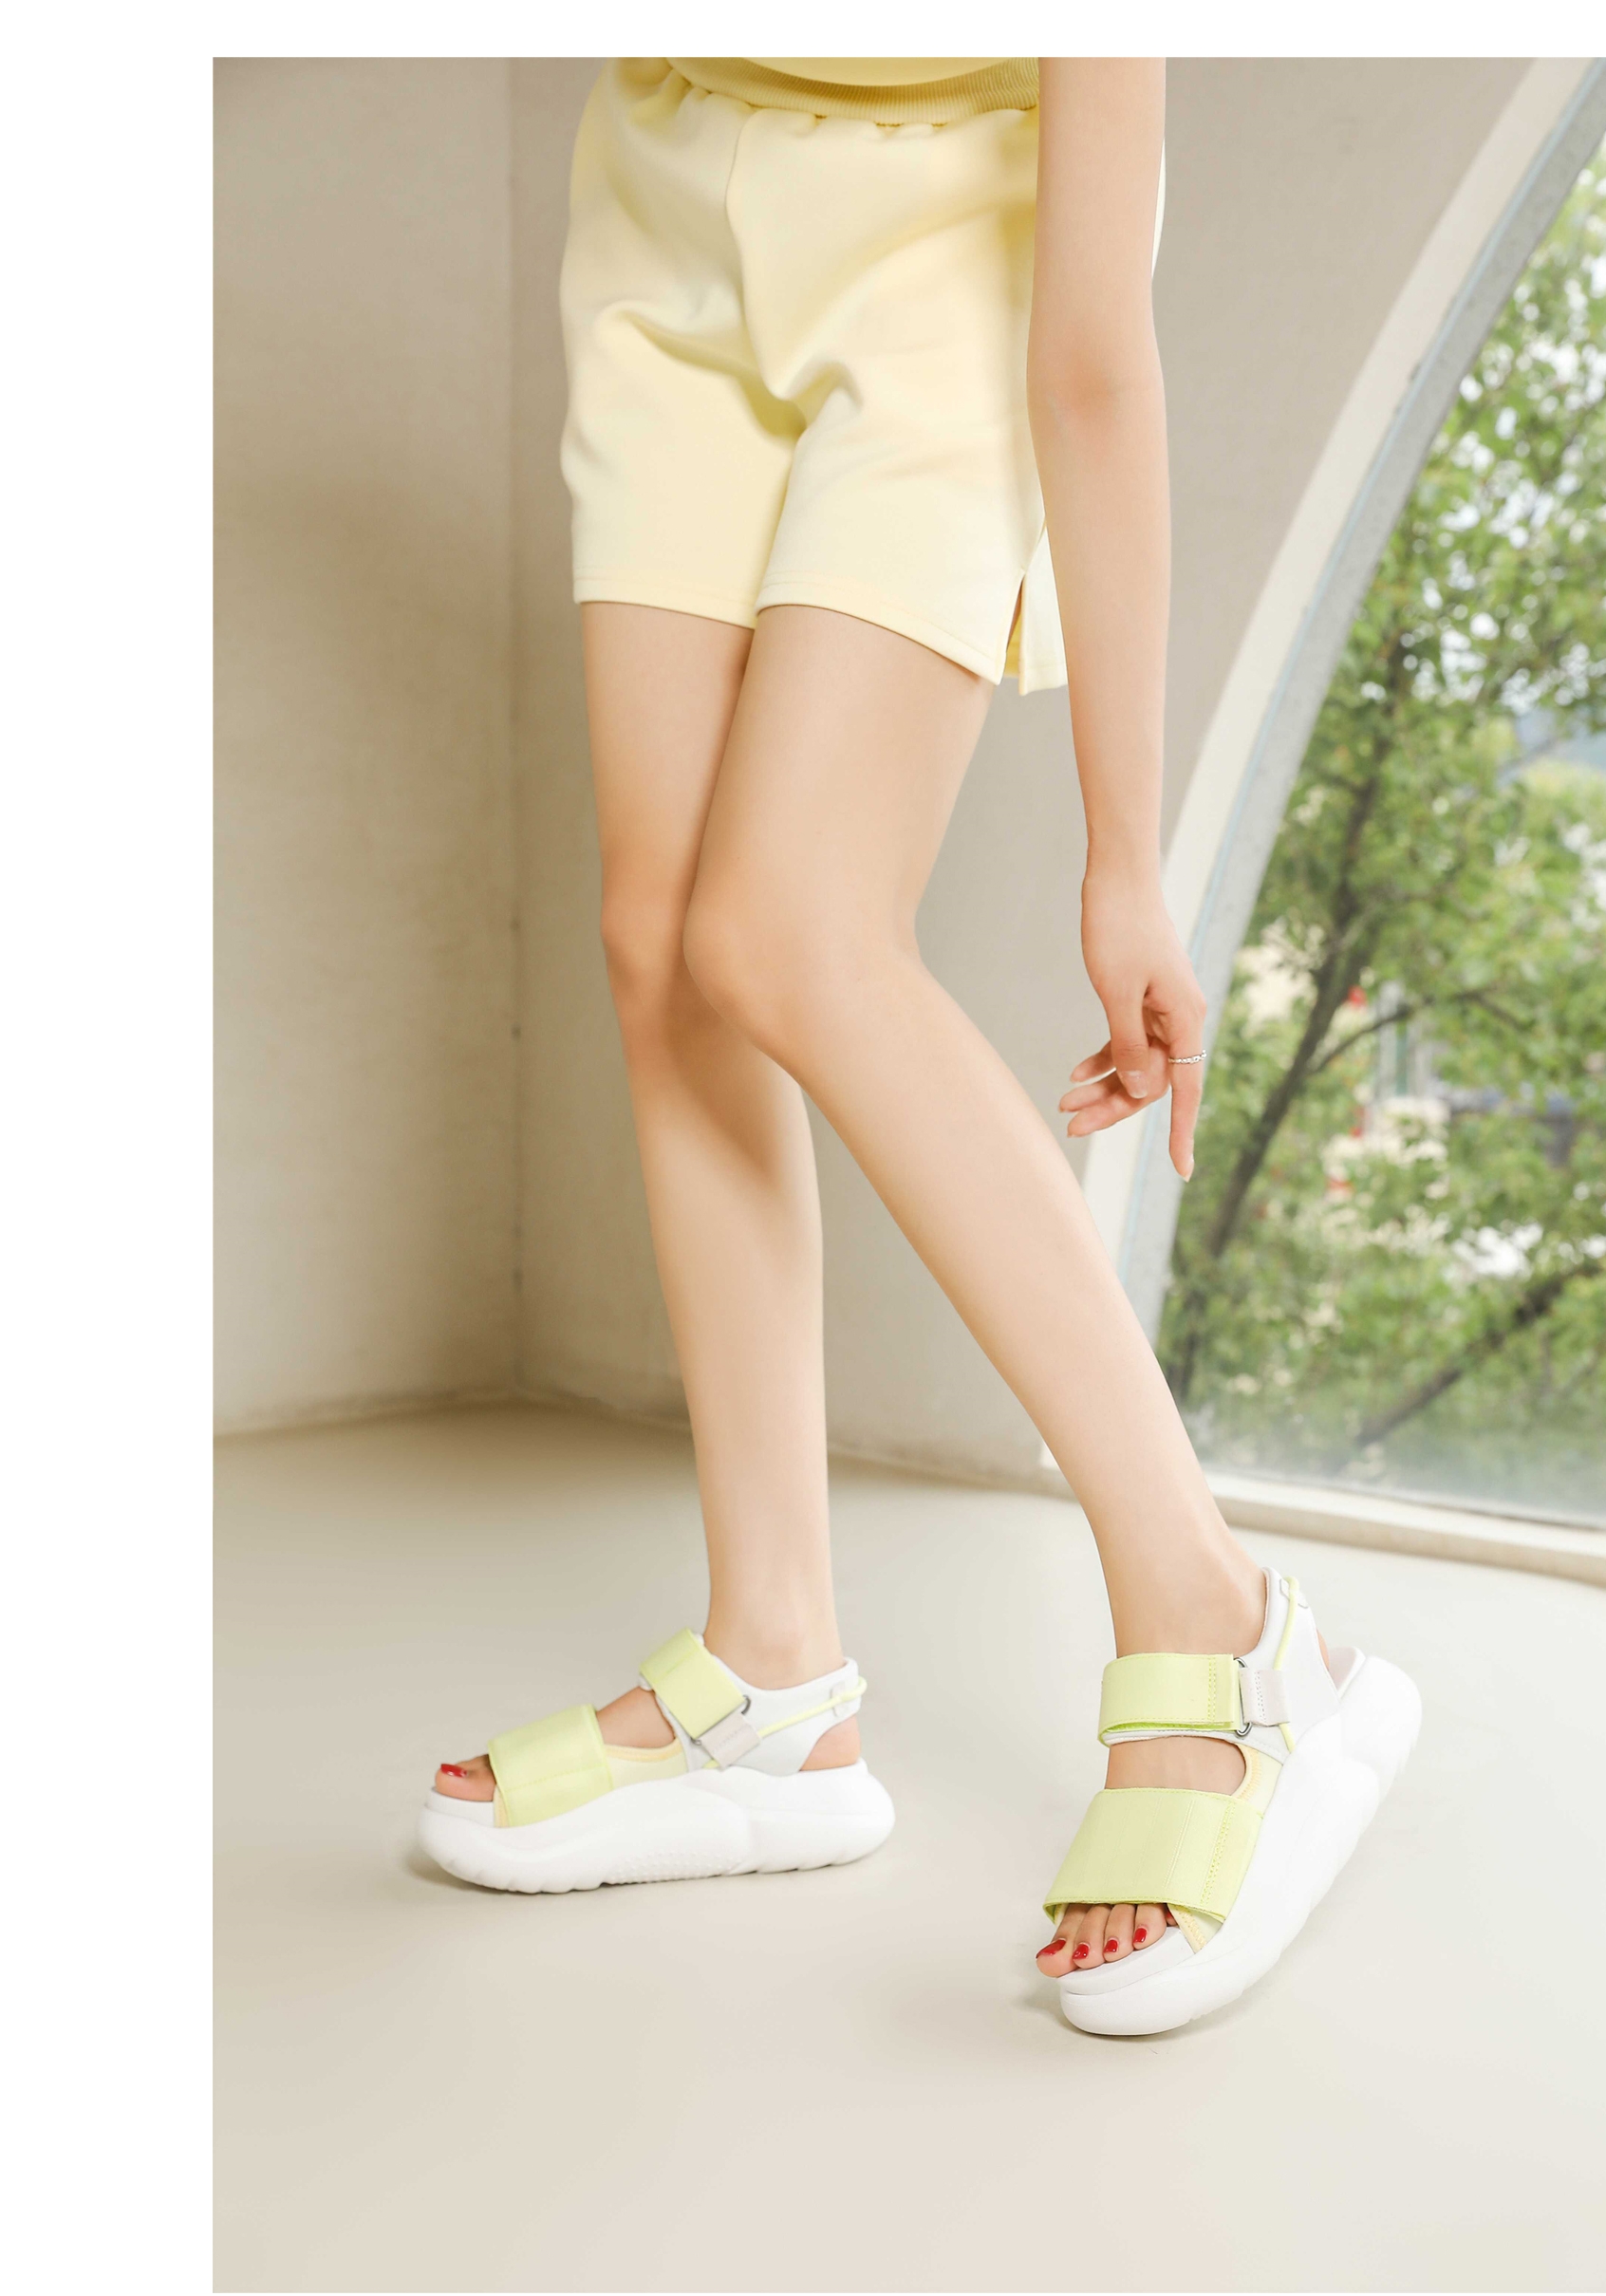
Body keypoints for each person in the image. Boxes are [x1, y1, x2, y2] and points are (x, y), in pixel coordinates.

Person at [417, 56, 1418, 2036]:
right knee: (659, 948)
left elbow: (1095, 369)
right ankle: (775, 1677)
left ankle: (1226, 1626)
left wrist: (1124, 855)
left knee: (786, 927)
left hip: (957, 229)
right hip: (665, 192)